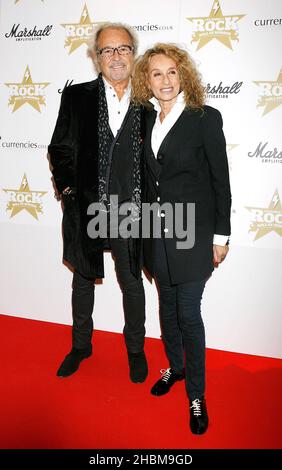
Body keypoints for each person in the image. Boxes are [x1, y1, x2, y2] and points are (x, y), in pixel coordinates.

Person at [132, 43, 231, 434]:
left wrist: (221, 235)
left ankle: (196, 394)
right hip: (157, 235)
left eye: (172, 71)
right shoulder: (146, 122)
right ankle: (174, 367)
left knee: (189, 315)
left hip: (194, 235)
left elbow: (221, 181)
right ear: (147, 81)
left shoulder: (205, 118)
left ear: (183, 74)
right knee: (167, 310)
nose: (165, 80)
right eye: (156, 73)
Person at [48, 23, 148, 383]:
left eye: (123, 48)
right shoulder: (76, 96)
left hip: (132, 210)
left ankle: (135, 350)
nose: (116, 57)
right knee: (82, 279)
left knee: (131, 280)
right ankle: (80, 345)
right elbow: (59, 147)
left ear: (134, 53)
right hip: (87, 206)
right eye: (107, 50)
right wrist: (70, 193)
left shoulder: (151, 98)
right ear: (96, 57)